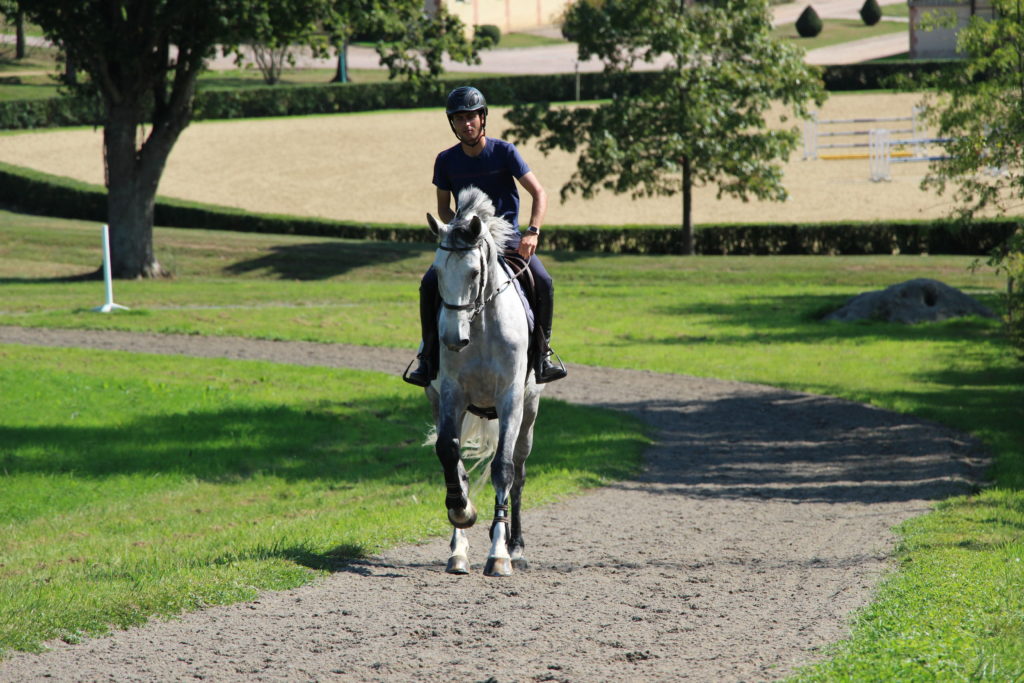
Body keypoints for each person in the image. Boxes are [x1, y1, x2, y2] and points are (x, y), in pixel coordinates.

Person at [404, 85, 567, 387]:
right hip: (467, 244)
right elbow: (443, 209)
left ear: (483, 118)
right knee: (429, 284)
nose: (466, 124)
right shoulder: (445, 160)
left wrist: (533, 231)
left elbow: (539, 193)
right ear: (451, 123)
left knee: (543, 281)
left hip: (508, 242)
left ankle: (543, 355)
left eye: (471, 117)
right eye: (459, 118)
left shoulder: (504, 152)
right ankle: (427, 356)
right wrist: (462, 233)